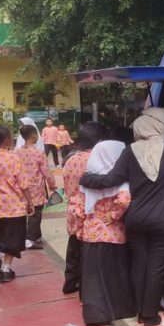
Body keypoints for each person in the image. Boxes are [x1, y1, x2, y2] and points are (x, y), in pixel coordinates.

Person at [79, 107, 164, 326]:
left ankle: (142, 312)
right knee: (157, 269)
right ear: (162, 126)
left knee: (139, 265)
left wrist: (87, 178)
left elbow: (112, 179)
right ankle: (150, 318)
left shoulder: (130, 151)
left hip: (136, 219)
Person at [78, 140, 134, 325]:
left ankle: (96, 313)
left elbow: (77, 206)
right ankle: (120, 309)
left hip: (91, 232)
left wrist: (80, 227)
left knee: (94, 276)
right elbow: (125, 200)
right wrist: (114, 214)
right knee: (115, 274)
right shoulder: (121, 180)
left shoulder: (87, 180)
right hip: (113, 233)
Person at [62, 122, 106, 294]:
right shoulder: (97, 160)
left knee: (73, 245)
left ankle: (70, 281)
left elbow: (66, 187)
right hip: (91, 209)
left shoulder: (70, 160)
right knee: (88, 247)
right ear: (100, 140)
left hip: (73, 208)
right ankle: (87, 283)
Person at [0, 126, 34, 283]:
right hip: (13, 207)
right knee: (12, 239)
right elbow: (23, 184)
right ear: (8, 140)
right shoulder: (13, 158)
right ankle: (6, 269)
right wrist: (30, 202)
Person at [14, 125, 56, 250]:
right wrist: (52, 184)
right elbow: (46, 171)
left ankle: (36, 235)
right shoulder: (38, 152)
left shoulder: (16, 152)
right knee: (36, 213)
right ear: (33, 136)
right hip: (35, 188)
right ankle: (29, 239)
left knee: (26, 212)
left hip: (21, 188)